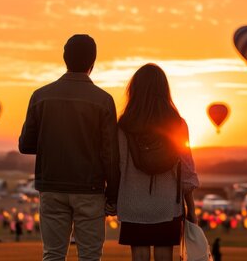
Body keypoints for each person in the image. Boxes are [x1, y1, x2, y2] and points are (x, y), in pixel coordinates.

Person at [19, 34, 120, 261]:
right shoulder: (103, 100)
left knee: (53, 254)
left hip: (51, 185)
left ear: (64, 59)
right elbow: (110, 155)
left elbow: (25, 145)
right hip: (90, 189)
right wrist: (113, 194)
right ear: (93, 62)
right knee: (90, 257)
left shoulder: (40, 96)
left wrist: (53, 141)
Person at [117, 63, 199, 261]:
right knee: (164, 254)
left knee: (140, 255)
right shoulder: (177, 124)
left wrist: (112, 197)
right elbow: (187, 173)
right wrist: (191, 210)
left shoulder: (123, 124)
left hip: (132, 203)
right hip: (167, 203)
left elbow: (117, 165)